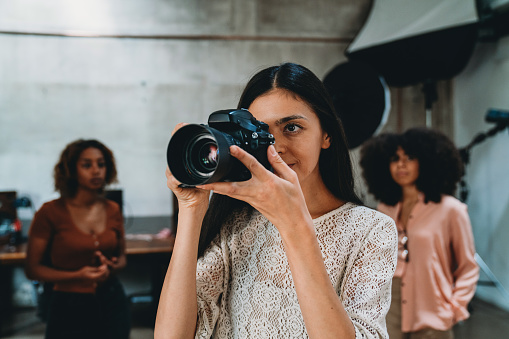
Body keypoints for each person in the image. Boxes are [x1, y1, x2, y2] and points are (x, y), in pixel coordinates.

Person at [155, 62, 398, 339]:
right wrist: (191, 209)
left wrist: (293, 224)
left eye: (292, 127)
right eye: (262, 133)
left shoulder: (371, 230)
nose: (277, 147)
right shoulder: (236, 224)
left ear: (326, 135)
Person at [359, 127, 479, 339]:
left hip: (433, 310)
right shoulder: (385, 208)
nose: (401, 164)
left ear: (426, 161)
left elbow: (468, 267)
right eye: (395, 158)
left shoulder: (451, 210)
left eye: (410, 157)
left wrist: (454, 309)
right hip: (390, 309)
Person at [25, 139, 130, 339]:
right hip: (67, 304)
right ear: (71, 170)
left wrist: (111, 266)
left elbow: (123, 258)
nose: (96, 171)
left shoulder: (113, 209)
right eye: (86, 165)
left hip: (112, 301)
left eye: (101, 164)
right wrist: (78, 275)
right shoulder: (50, 212)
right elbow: (33, 269)